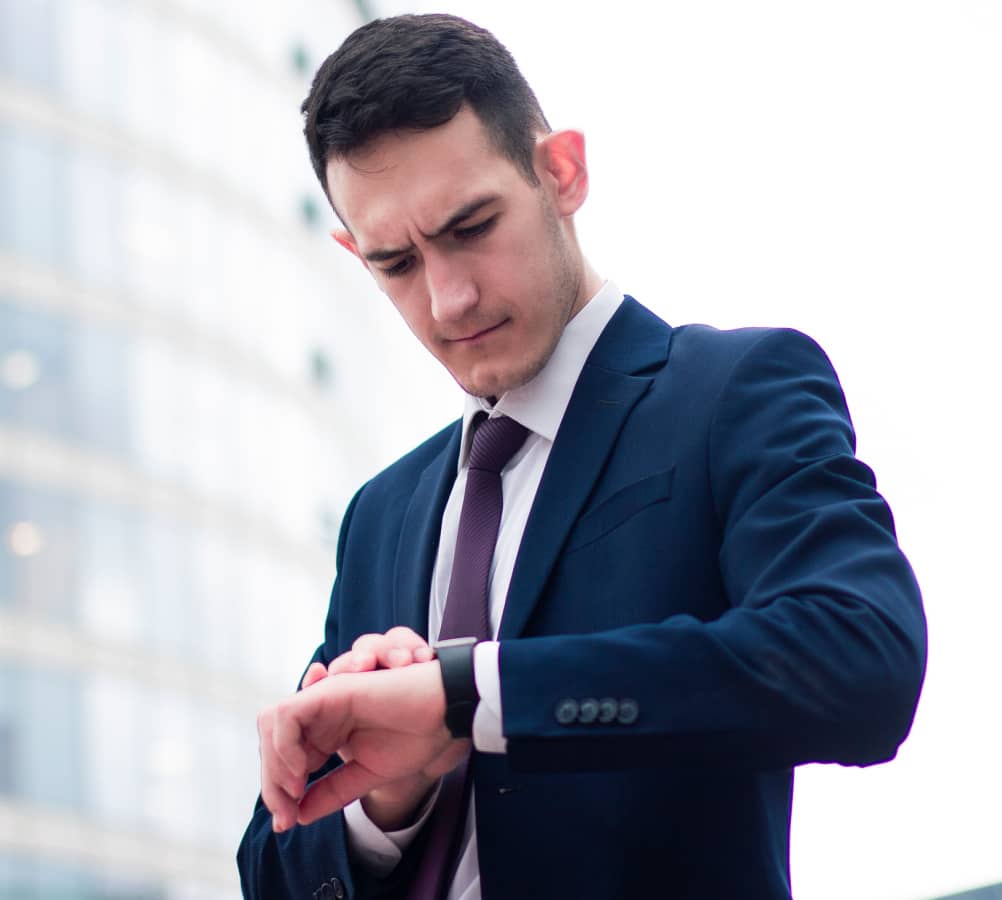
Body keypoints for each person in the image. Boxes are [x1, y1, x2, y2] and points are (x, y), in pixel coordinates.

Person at [237, 13, 926, 900]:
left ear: (561, 170)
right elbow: (274, 873)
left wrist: (470, 694)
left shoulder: (730, 391)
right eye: (396, 263)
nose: (448, 299)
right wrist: (386, 801)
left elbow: (860, 660)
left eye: (471, 225)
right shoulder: (381, 513)